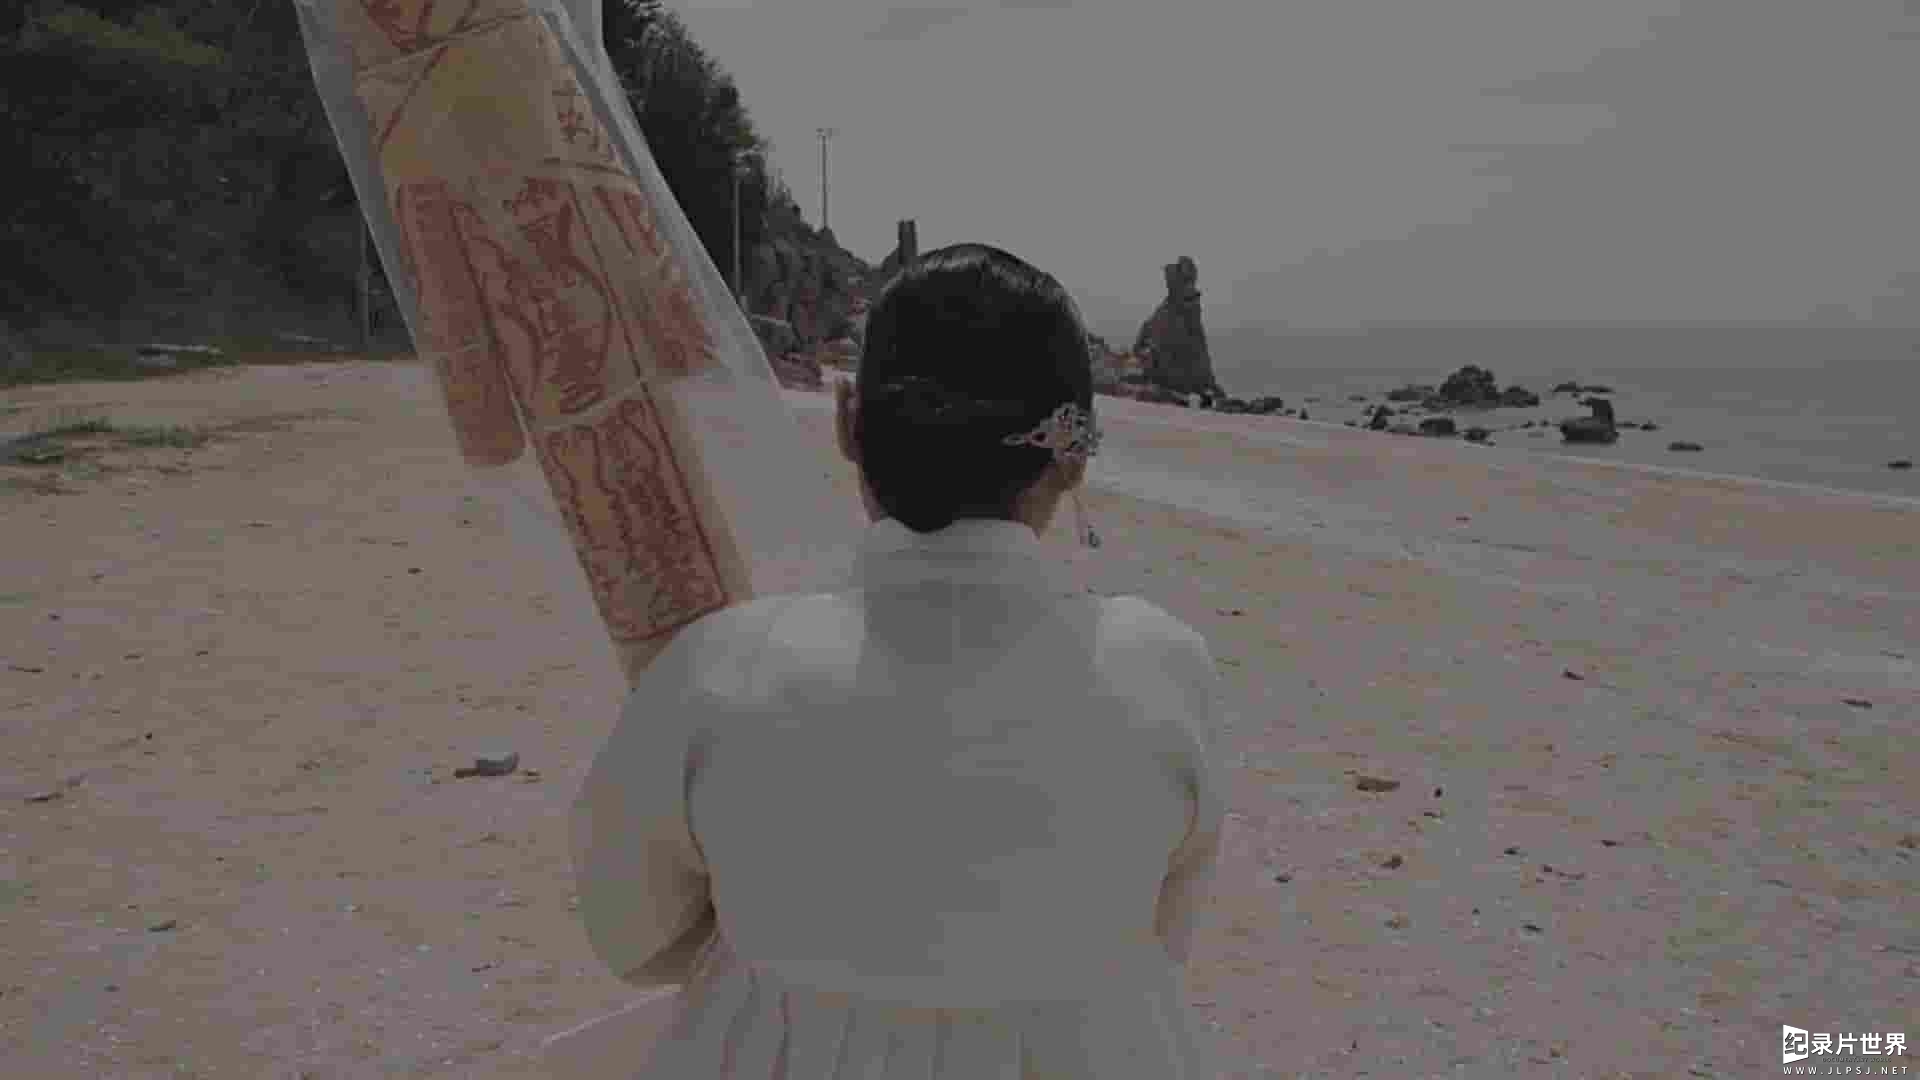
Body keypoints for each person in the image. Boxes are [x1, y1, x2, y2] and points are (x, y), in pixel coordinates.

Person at [566, 243, 1230, 1078]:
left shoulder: (721, 665)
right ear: (1074, 450)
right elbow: (1164, 933)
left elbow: (627, 935)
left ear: (850, 421)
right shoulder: (1162, 667)